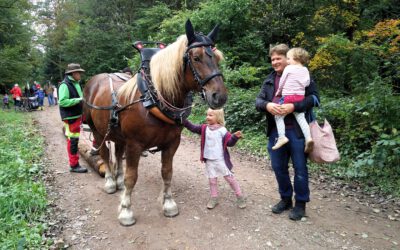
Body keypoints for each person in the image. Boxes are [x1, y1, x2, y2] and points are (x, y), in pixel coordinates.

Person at [255, 44, 319, 221]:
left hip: (298, 132)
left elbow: (314, 98)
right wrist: (268, 105)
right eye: (272, 59)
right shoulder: (269, 80)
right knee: (278, 167)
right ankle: (285, 199)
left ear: (288, 59)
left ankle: (300, 204)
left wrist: (294, 106)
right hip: (277, 132)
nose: (275, 62)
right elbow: (258, 100)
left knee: (300, 169)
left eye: (278, 58)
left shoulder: (301, 73)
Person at [183, 108, 246, 209]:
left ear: (218, 117)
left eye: (211, 115)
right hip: (209, 160)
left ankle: (240, 196)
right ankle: (214, 198)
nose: (207, 117)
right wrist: (184, 120)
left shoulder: (222, 130)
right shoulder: (204, 128)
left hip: (220, 160)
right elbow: (193, 128)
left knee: (230, 179)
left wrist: (234, 137)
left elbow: (229, 143)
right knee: (212, 181)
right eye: (207, 115)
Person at [272, 48, 314, 153]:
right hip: (300, 97)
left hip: (287, 97)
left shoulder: (289, 68)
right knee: (301, 118)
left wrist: (279, 91)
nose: (288, 61)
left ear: (295, 58)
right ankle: (308, 138)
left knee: (278, 116)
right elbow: (307, 82)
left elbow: (282, 81)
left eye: (289, 58)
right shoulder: (305, 70)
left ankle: (282, 137)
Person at [59, 63, 88, 173]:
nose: (80, 75)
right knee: (73, 141)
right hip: (71, 117)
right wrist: (79, 100)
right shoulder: (65, 85)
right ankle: (74, 165)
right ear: (73, 73)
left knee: (75, 139)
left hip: (77, 115)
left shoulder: (75, 83)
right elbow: (62, 102)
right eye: (79, 73)